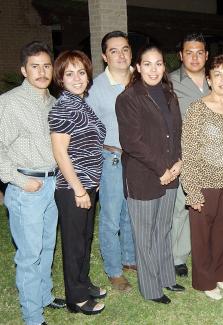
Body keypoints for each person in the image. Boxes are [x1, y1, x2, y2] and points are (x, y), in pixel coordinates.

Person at [0, 41, 66, 325]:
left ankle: (44, 296)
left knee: (47, 246)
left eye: (46, 66)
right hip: (27, 187)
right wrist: (18, 180)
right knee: (29, 255)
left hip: (52, 184)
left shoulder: (52, 102)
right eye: (34, 67)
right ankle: (32, 317)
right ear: (24, 71)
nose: (41, 72)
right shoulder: (10, 102)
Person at [116, 44, 185, 304]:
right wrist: (162, 169)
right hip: (144, 177)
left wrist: (178, 162)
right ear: (137, 67)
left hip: (171, 173)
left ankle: (167, 277)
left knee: (163, 230)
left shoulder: (169, 94)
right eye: (147, 64)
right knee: (144, 236)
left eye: (158, 63)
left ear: (164, 67)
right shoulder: (128, 98)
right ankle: (151, 288)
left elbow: (177, 132)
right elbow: (132, 141)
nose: (153, 69)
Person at [49, 50, 106, 315]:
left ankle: (83, 283)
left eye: (81, 72)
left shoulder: (81, 103)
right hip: (73, 188)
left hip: (88, 186)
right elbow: (60, 153)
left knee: (84, 239)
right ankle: (77, 298)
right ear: (60, 78)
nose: (77, 78)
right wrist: (79, 189)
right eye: (69, 73)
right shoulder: (63, 107)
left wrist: (91, 186)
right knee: (74, 244)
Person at [181, 54, 223, 300]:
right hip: (204, 182)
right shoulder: (197, 108)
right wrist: (192, 189)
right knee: (203, 235)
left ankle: (220, 273)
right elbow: (189, 150)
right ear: (209, 80)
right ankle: (205, 281)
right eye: (218, 74)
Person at [85, 31, 136, 292]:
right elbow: (87, 130)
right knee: (111, 217)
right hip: (111, 158)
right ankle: (114, 271)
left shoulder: (140, 81)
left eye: (125, 49)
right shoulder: (94, 88)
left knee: (131, 213)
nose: (121, 55)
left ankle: (129, 258)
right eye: (114, 50)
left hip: (137, 159)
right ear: (105, 56)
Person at [169, 33, 210, 277]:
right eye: (189, 52)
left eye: (199, 52)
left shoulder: (216, 80)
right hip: (184, 156)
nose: (194, 57)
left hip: (213, 157)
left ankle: (205, 251)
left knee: (208, 208)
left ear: (206, 55)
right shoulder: (170, 82)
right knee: (181, 207)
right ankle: (178, 256)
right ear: (181, 55)